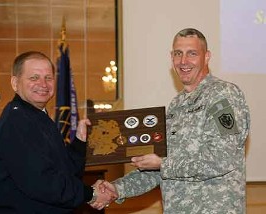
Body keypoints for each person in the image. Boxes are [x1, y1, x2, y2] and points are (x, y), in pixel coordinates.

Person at [96, 28, 251, 213]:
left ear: (207, 57)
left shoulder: (223, 96)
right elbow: (159, 169)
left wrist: (162, 164)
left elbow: (223, 159)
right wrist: (117, 189)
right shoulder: (176, 105)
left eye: (192, 53)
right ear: (172, 58)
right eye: (178, 54)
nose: (183, 61)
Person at [0, 51, 114, 213]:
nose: (43, 84)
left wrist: (79, 142)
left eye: (48, 78)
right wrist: (91, 194)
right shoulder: (17, 121)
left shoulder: (38, 117)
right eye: (34, 78)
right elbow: (41, 182)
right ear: (15, 83)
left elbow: (64, 173)